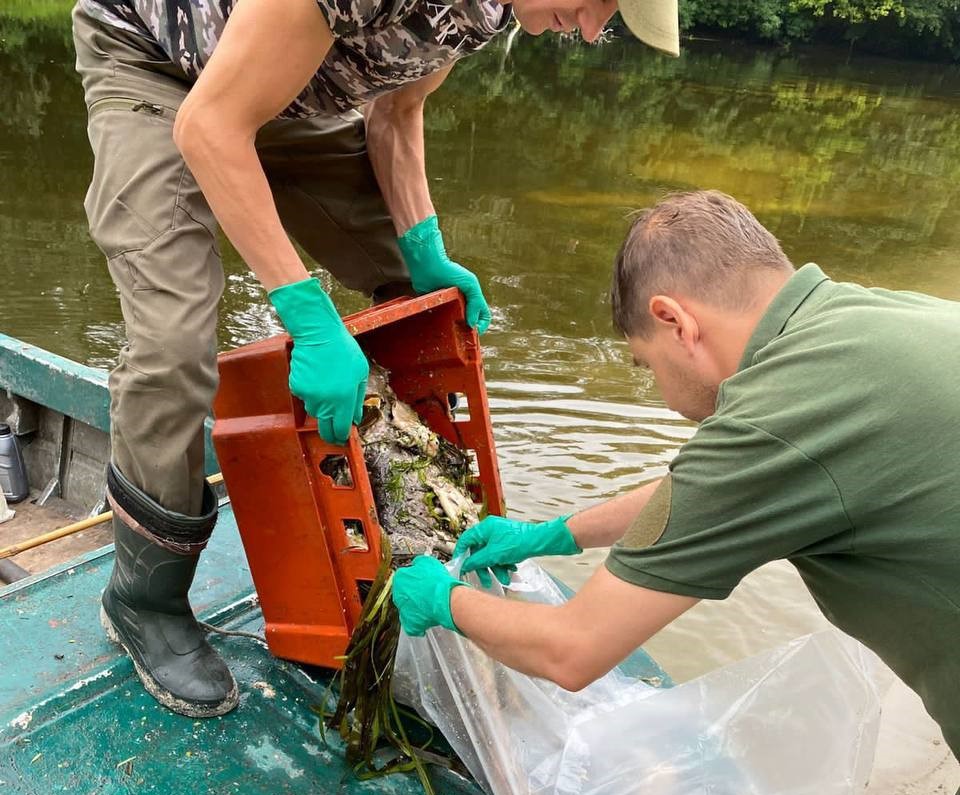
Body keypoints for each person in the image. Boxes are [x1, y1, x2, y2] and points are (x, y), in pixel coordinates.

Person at [73, 0, 681, 718]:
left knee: (414, 299)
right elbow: (210, 126)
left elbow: (396, 109)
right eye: (599, 3)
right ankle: (144, 601)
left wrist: (425, 249)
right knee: (175, 346)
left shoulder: (496, 10)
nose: (590, 31)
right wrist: (307, 317)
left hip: (288, 90)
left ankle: (402, 529)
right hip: (159, 69)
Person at [393, 190, 960, 761]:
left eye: (647, 364)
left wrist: (443, 599)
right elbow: (713, 489)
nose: (663, 396)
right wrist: (557, 534)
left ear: (673, 321)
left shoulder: (774, 420)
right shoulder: (880, 317)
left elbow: (571, 650)